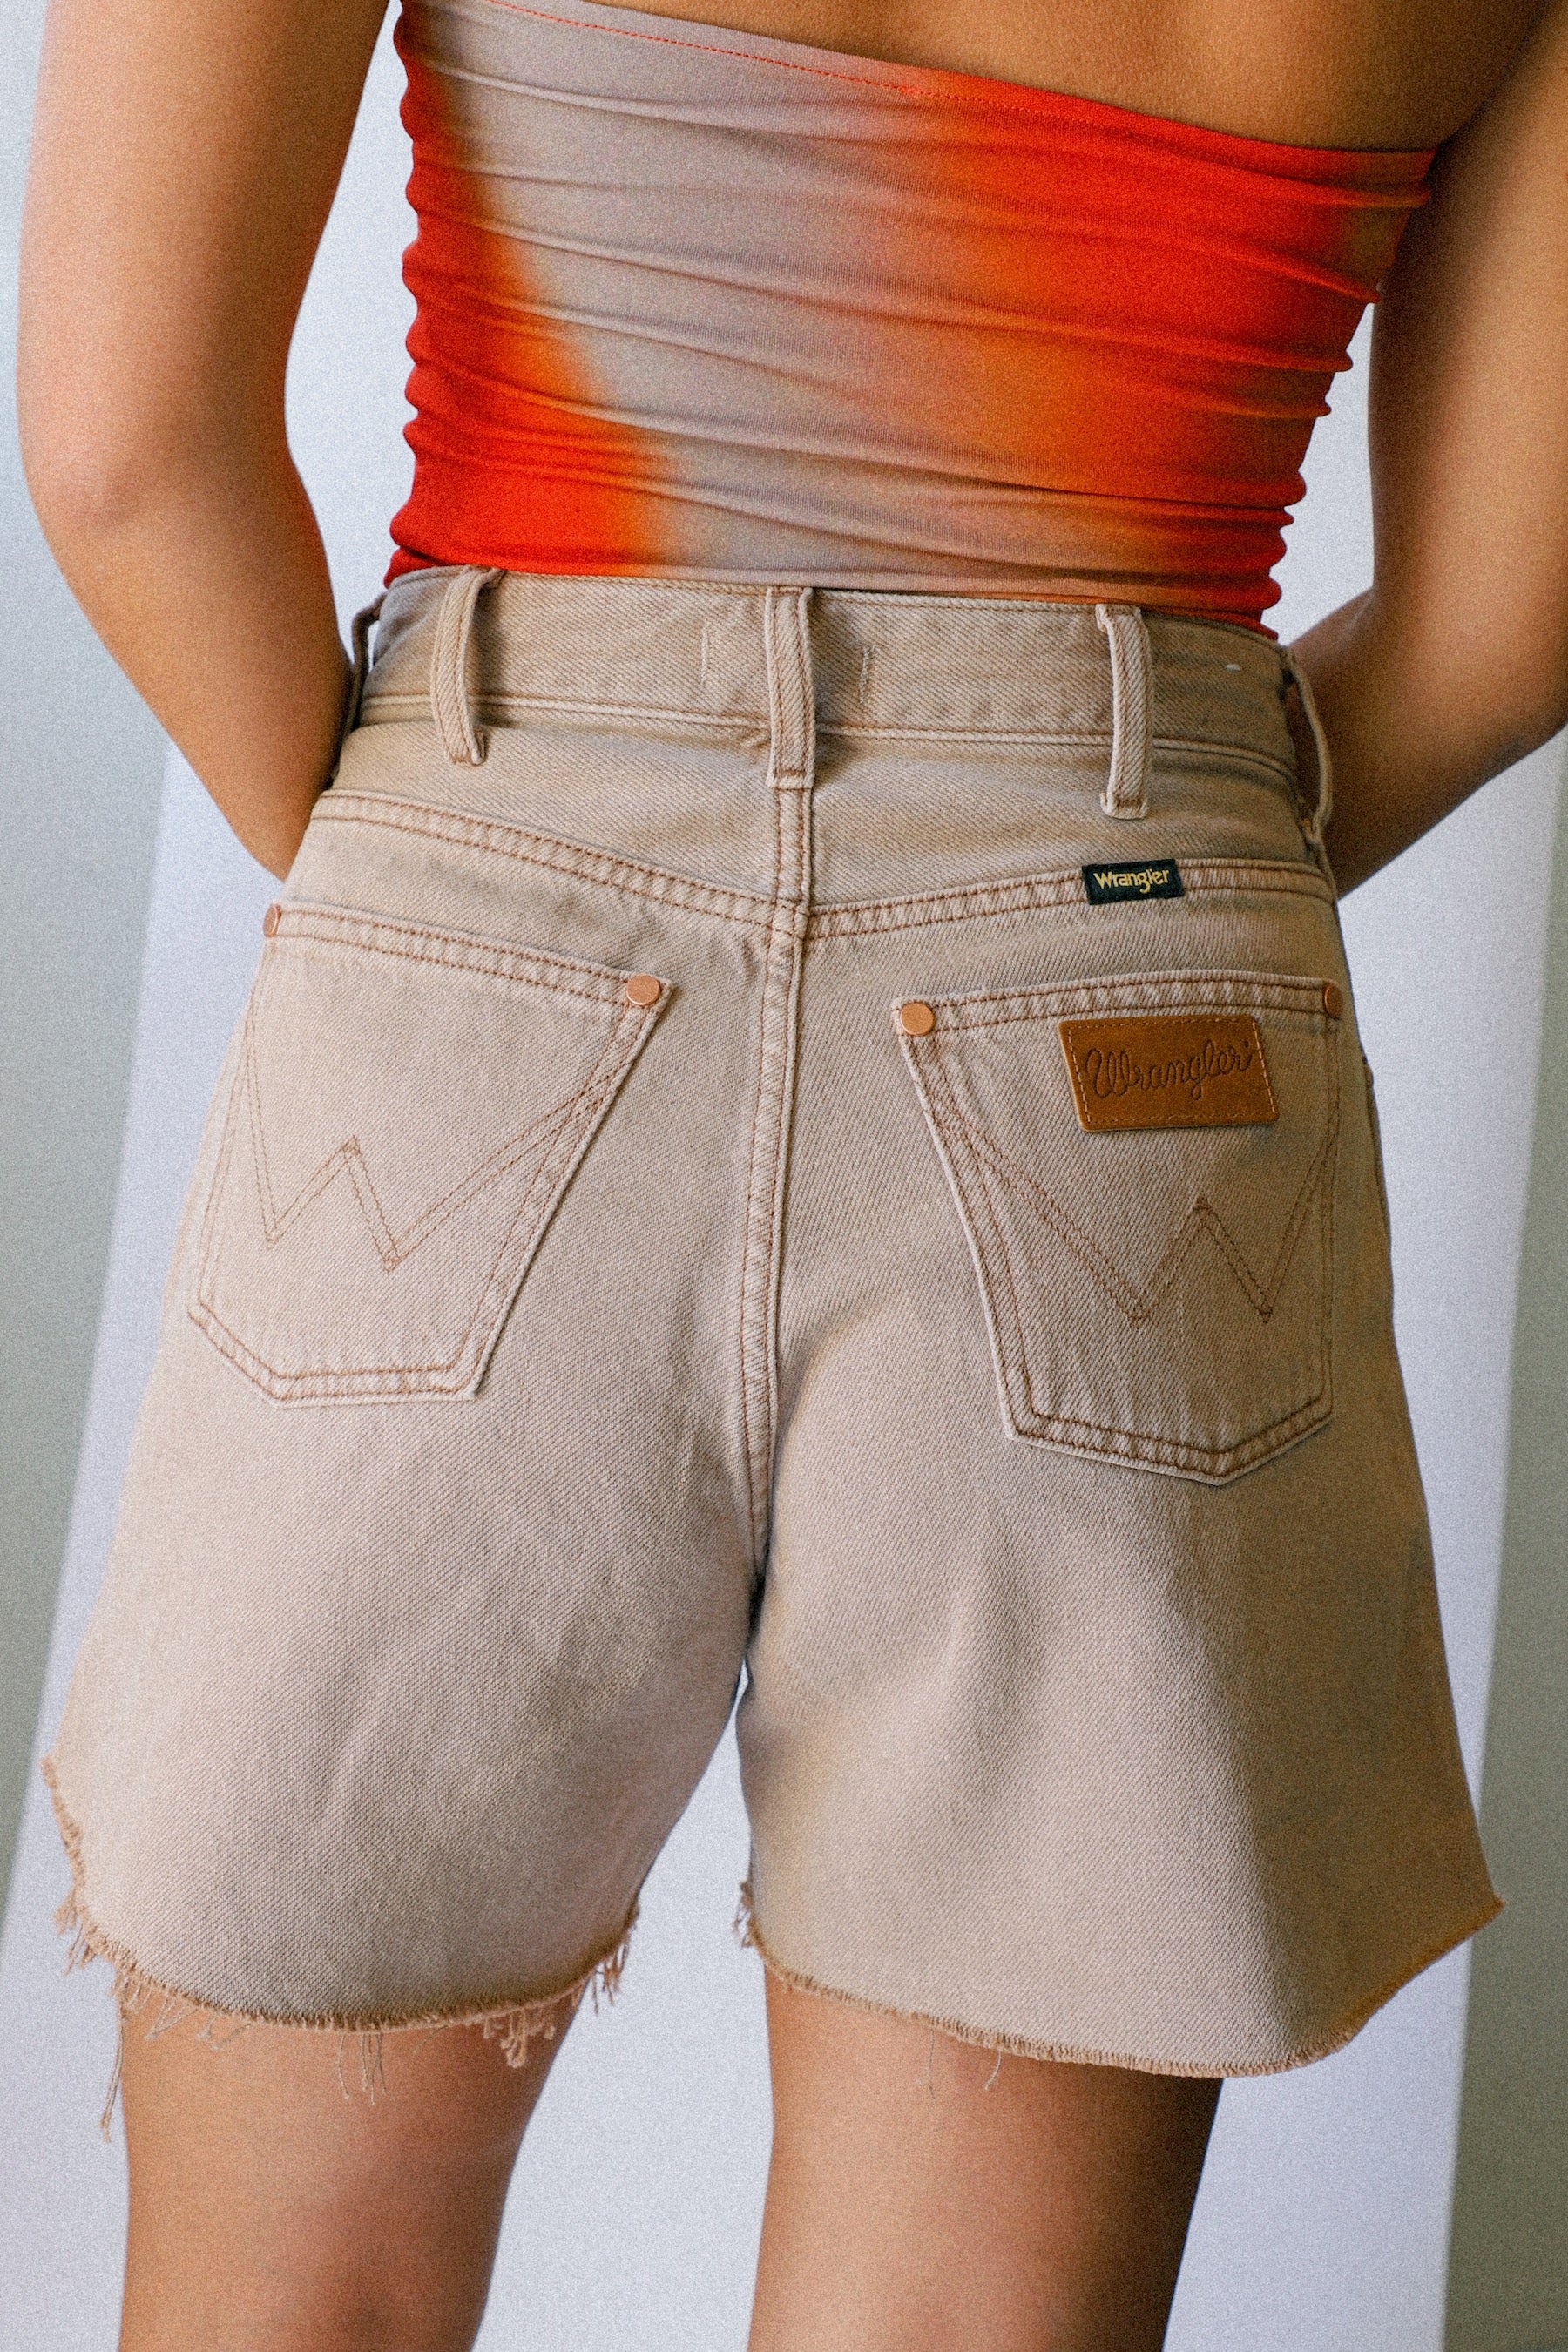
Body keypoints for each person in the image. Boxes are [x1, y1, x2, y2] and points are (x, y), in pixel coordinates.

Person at [16, 0, 1567, 2342]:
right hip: (1139, 1007)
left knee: (287, 2296)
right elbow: (1508, 617)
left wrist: (428, 893)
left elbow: (126, 445)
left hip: (495, 923)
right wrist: (1121, 894)